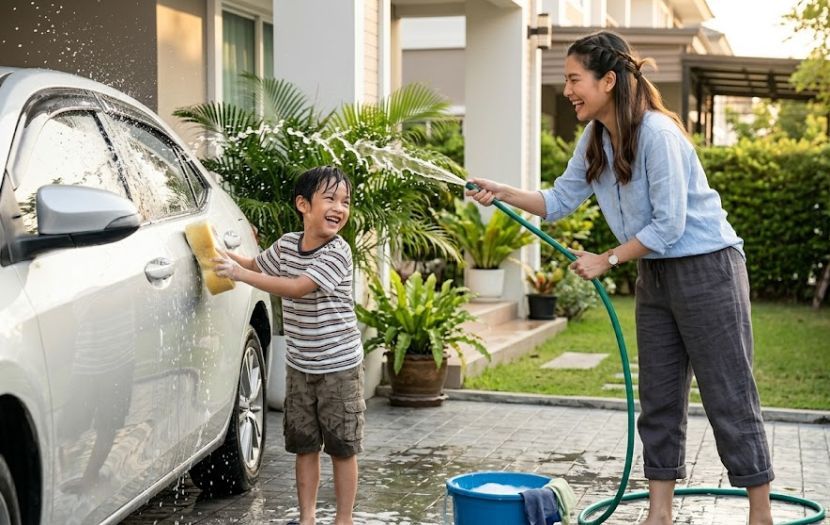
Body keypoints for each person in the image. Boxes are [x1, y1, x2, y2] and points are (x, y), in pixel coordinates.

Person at [466, 31, 774, 525]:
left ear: (608, 81)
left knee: (728, 393)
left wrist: (605, 259)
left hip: (708, 270)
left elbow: (670, 226)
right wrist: (501, 191)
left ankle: (761, 514)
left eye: (574, 79)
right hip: (655, 272)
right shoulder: (595, 138)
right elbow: (558, 201)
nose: (568, 90)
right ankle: (659, 514)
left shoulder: (658, 134)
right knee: (659, 397)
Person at [214, 166, 365, 525]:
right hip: (300, 366)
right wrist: (220, 255)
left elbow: (297, 288)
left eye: (345, 202)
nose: (339, 208)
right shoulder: (285, 245)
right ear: (303, 204)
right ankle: (307, 518)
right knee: (304, 445)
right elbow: (256, 264)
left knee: (343, 448)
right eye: (330, 199)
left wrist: (239, 275)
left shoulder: (338, 252)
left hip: (339, 367)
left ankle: (344, 519)